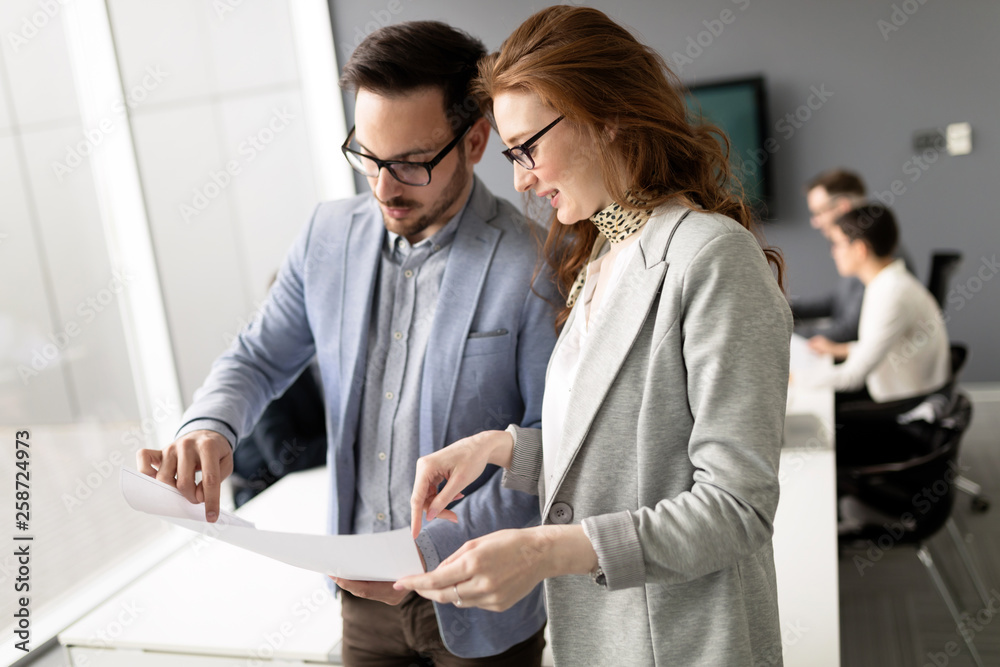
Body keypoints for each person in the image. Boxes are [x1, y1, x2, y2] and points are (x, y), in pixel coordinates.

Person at [137, 21, 559, 666]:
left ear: (475, 141)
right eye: (367, 155)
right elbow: (255, 356)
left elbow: (551, 447)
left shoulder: (534, 262)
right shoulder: (326, 235)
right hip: (360, 599)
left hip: (482, 601)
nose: (383, 187)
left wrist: (432, 550)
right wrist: (211, 425)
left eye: (411, 164)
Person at [394, 7, 793, 666]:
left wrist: (546, 549)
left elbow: (736, 507)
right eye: (510, 154)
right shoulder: (601, 254)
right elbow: (627, 451)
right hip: (598, 637)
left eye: (528, 148)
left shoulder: (710, 256)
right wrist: (502, 448)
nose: (519, 177)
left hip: (685, 641)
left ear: (607, 115)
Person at [795, 204, 950, 466]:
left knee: (815, 413)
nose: (833, 252)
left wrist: (793, 378)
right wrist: (843, 350)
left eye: (837, 244)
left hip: (905, 407)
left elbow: (852, 377)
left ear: (859, 249)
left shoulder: (890, 294)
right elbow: (886, 346)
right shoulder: (888, 282)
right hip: (908, 389)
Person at [791, 169, 869, 342]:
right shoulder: (860, 249)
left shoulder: (872, 253)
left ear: (843, 207)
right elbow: (837, 302)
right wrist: (782, 311)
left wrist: (780, 334)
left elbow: (849, 331)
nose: (815, 222)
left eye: (819, 212)